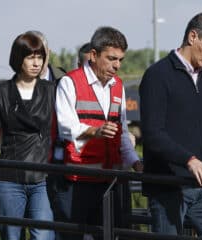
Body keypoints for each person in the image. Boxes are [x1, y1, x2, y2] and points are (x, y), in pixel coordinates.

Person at [139, 12, 202, 239]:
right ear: (192, 37)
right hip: (167, 185)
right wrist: (190, 160)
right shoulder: (157, 76)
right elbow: (152, 134)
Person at [55, 26, 143, 240]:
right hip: (78, 180)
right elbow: (66, 127)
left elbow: (121, 132)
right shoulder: (69, 82)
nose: (117, 65)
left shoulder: (118, 86)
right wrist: (96, 131)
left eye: (120, 59)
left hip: (110, 180)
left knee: (112, 236)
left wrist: (134, 161)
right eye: (112, 58)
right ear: (93, 55)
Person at [0, 32, 55, 240]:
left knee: (44, 235)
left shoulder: (52, 90)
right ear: (18, 58)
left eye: (40, 57)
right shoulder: (0, 92)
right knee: (11, 236)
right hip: (9, 178)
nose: (36, 63)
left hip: (42, 178)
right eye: (30, 57)